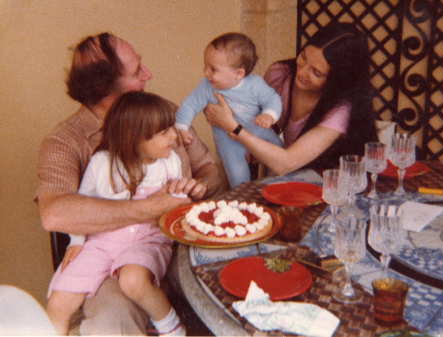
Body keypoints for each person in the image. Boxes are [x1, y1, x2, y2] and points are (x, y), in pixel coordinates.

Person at [36, 32, 221, 335]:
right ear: (105, 89)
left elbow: (209, 169)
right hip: (116, 257)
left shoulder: (163, 114)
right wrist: (148, 208)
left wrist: (196, 187)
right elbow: (55, 213)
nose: (149, 75)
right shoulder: (65, 142)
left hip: (184, 242)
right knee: (112, 320)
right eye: (136, 72)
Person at [47, 92, 187, 336]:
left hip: (148, 240)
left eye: (172, 128)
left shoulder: (170, 162)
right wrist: (77, 240)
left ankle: (171, 326)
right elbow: (82, 205)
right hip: (101, 243)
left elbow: (175, 206)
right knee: (58, 303)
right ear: (135, 137)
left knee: (133, 281)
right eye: (164, 132)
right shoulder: (103, 163)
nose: (174, 136)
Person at [204, 22, 378, 175]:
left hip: (327, 181)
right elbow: (256, 118)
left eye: (316, 72)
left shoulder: (341, 109)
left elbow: (285, 163)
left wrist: (232, 127)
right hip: (289, 175)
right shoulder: (281, 74)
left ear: (336, 79)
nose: (301, 72)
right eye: (303, 57)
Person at [175, 32, 284, 188]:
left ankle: (281, 186)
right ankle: (243, 200)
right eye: (205, 65)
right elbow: (189, 105)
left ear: (239, 74)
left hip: (259, 131)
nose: (206, 72)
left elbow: (272, 99)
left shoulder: (254, 84)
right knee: (238, 176)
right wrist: (182, 127)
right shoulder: (206, 86)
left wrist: (269, 115)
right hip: (229, 143)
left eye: (213, 69)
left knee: (279, 155)